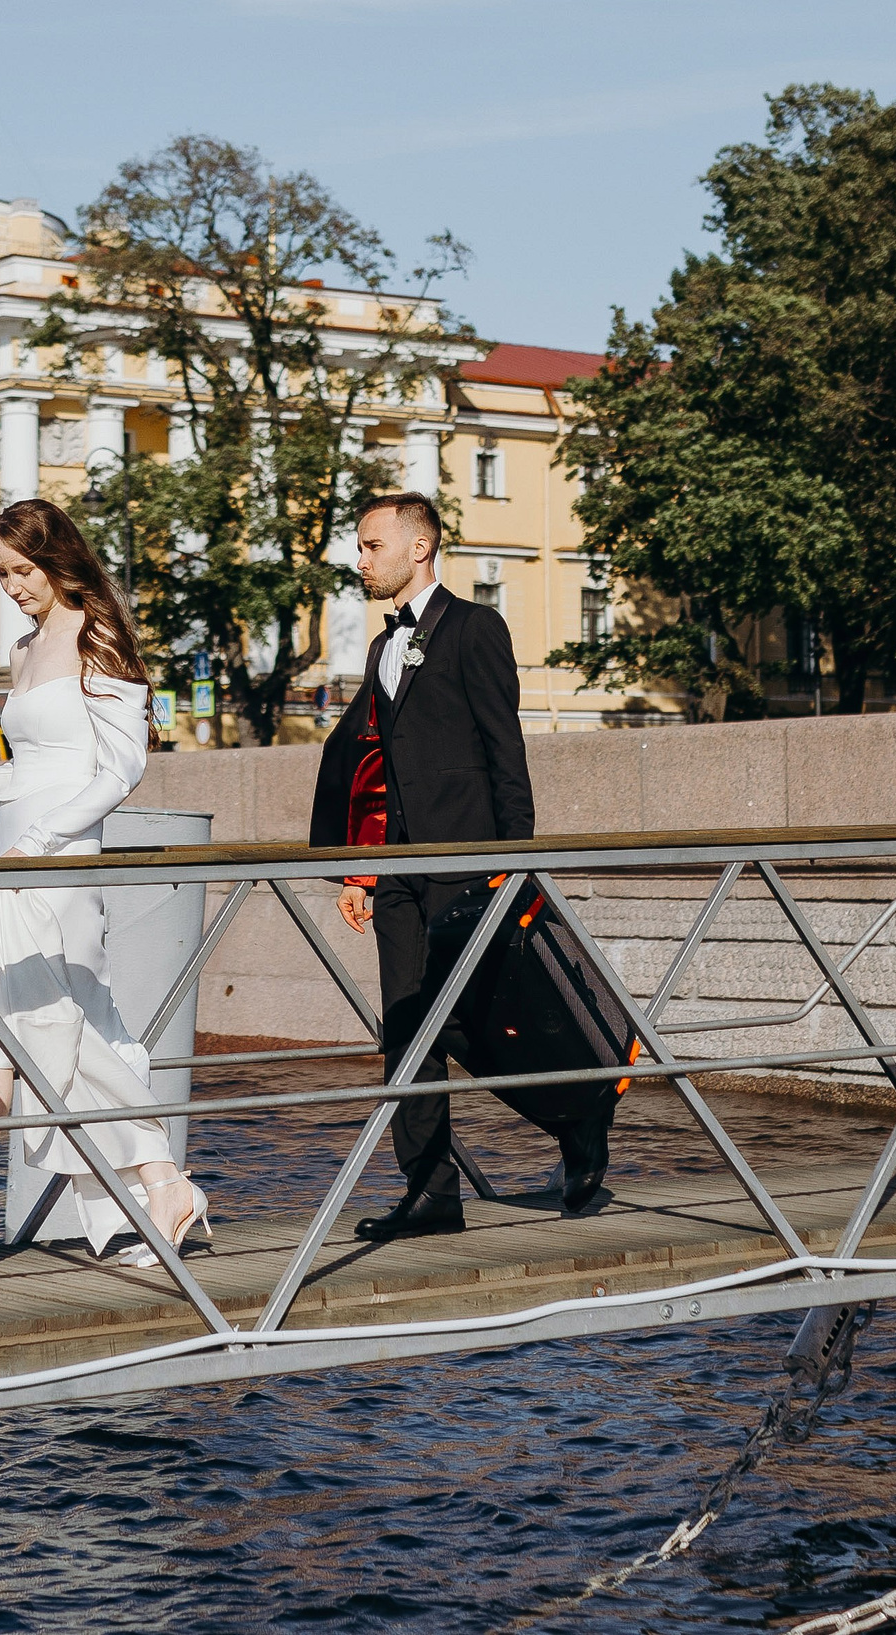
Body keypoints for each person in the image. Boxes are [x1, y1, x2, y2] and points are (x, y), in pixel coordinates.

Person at [0, 498, 203, 1292]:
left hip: (56, 863)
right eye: (2, 573)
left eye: (23, 570)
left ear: (59, 561)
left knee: (4, 1029)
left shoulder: (100, 636)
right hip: (16, 858)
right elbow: (30, 770)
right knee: (65, 1034)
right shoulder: (24, 650)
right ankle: (166, 1188)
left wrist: (47, 839)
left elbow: (120, 770)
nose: (12, 586)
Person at [311, 491, 545, 1241]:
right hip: (401, 877)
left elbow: (504, 749)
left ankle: (580, 1125)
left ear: (420, 548)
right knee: (407, 1031)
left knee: (493, 1024)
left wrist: (514, 858)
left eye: (371, 544)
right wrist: (361, 868)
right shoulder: (382, 648)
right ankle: (431, 1192)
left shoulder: (477, 627)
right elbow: (374, 765)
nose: (360, 558)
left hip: (469, 865)